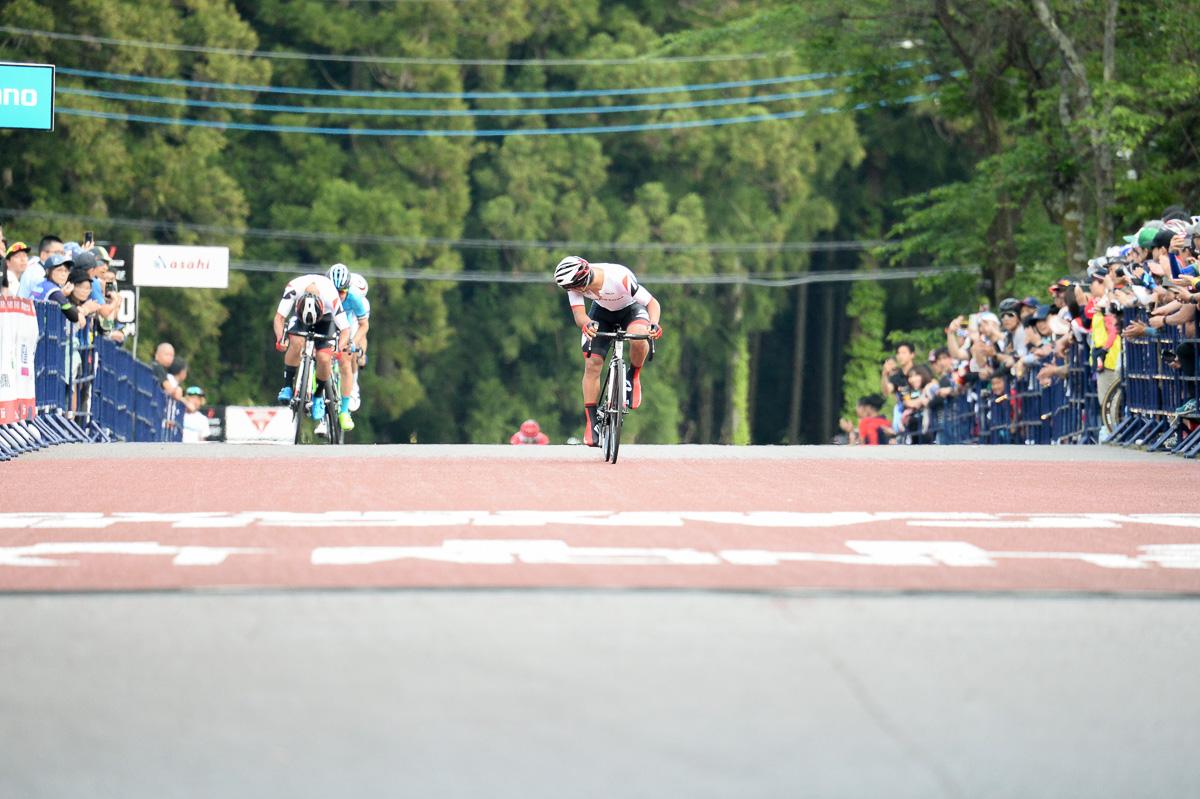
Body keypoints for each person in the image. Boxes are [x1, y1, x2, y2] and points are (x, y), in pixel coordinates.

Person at [554, 256, 662, 447]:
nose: (575, 291)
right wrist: (587, 324)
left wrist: (653, 323)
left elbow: (652, 303)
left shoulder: (619, 278)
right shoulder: (573, 284)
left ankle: (633, 376)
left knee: (638, 335)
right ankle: (592, 421)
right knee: (592, 363)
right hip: (601, 313)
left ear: (583, 279)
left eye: (576, 287)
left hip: (631, 309)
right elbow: (579, 315)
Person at [273, 271, 351, 424]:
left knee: (323, 357)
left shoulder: (331, 295)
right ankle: (288, 386)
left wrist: (340, 347)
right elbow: (279, 317)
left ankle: (318, 396)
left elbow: (346, 329)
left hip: (325, 319)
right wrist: (280, 338)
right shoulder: (293, 288)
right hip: (301, 316)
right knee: (296, 343)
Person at [314, 264, 367, 433]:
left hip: (346, 327)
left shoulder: (356, 297)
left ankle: (344, 411)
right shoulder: (320, 293)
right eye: (334, 291)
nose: (338, 295)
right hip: (325, 324)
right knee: (322, 361)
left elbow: (364, 325)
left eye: (342, 292)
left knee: (345, 363)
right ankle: (320, 408)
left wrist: (353, 343)